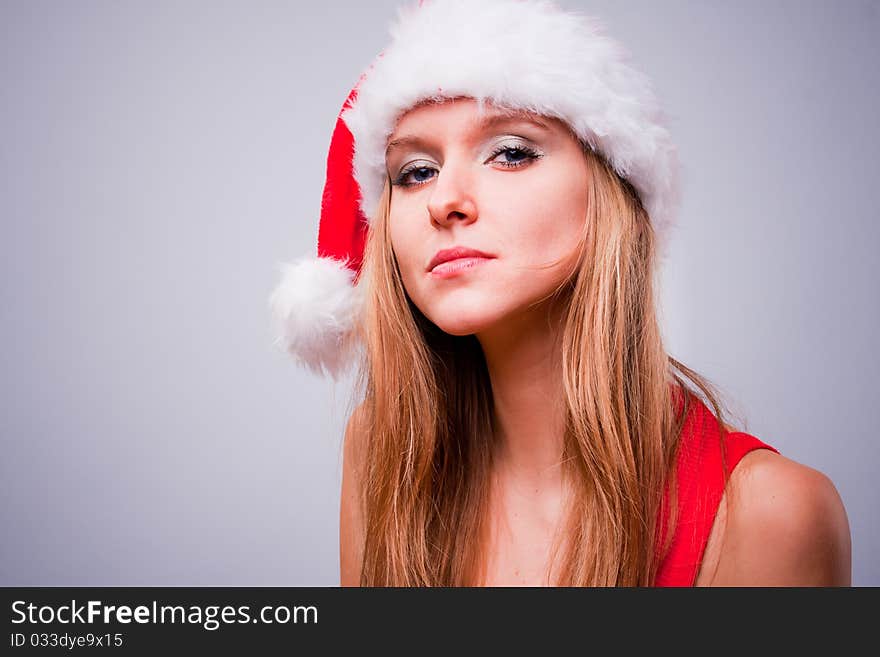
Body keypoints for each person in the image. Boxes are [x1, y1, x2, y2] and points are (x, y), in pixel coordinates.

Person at [269, 0, 851, 586]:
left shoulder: (770, 515)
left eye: (512, 153)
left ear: (610, 195)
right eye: (416, 171)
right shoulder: (382, 452)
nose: (445, 200)